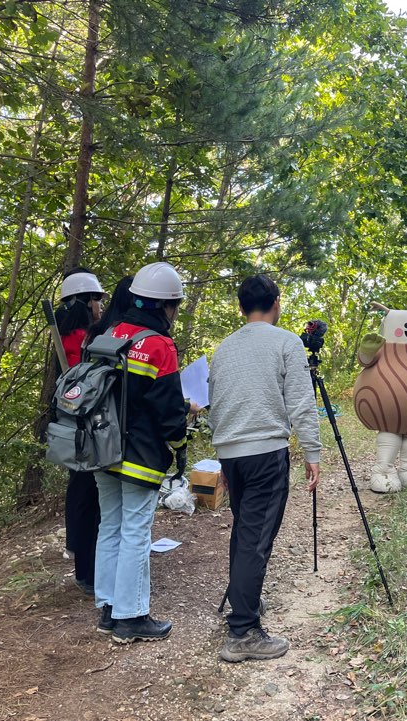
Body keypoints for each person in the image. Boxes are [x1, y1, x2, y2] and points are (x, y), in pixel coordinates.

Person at [208, 274, 321, 663]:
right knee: (256, 539)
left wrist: (223, 455)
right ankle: (242, 632)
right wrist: (313, 453)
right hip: (265, 452)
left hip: (233, 453)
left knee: (245, 529)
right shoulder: (286, 342)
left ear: (241, 307)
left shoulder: (224, 349)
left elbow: (217, 402)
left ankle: (246, 603)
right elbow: (302, 404)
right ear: (276, 302)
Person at [93, 261, 198, 644]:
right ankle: (132, 615)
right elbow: (168, 410)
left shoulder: (113, 334)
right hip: (139, 455)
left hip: (101, 450)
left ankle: (107, 609)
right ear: (166, 306)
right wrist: (180, 445)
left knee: (112, 527)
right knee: (137, 531)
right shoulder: (158, 345)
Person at [55, 268, 105, 595]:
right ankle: (89, 571)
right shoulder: (87, 340)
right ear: (86, 301)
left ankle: (83, 567)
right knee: (90, 496)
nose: (100, 306)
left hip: (68, 424)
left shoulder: (64, 335)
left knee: (80, 492)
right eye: (97, 299)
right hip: (88, 425)